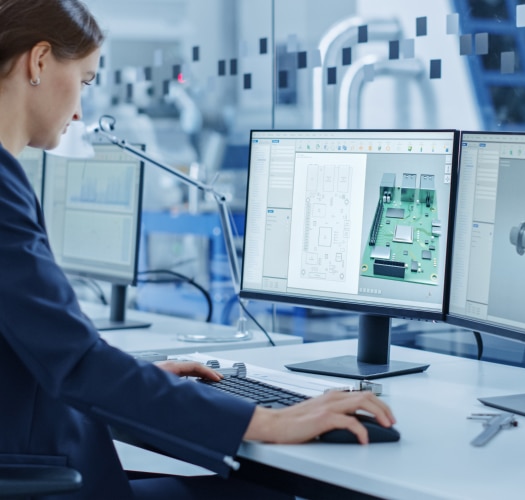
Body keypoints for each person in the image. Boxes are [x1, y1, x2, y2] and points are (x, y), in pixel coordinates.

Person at [0, 1, 396, 498]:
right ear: (38, 62)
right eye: (84, 79)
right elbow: (76, 364)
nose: (80, 108)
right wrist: (266, 420)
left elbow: (39, 348)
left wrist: (134, 376)